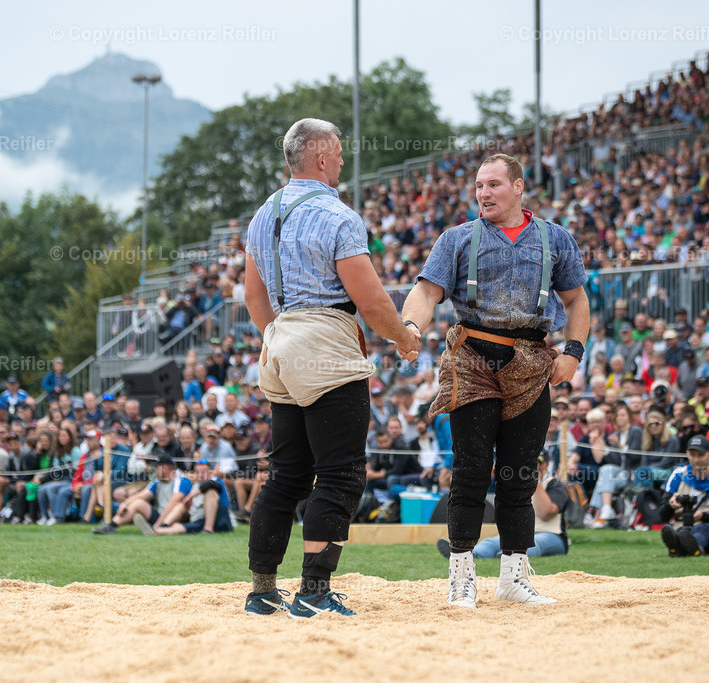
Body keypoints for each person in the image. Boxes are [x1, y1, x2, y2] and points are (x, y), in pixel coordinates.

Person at [242, 118, 419, 618]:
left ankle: (262, 590)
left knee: (285, 475)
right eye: (338, 153)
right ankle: (314, 591)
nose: (342, 160)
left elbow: (253, 296)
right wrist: (405, 337)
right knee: (341, 474)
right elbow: (372, 302)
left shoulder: (263, 214)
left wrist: (280, 340)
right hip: (324, 339)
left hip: (278, 342)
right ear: (321, 158)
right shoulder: (337, 216)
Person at [400, 152, 589, 607]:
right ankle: (461, 577)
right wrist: (409, 327)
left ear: (519, 187)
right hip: (472, 357)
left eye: (494, 185)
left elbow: (577, 300)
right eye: (479, 186)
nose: (483, 193)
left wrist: (573, 352)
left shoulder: (556, 238)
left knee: (520, 475)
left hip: (532, 359)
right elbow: (426, 292)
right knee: (470, 470)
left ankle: (513, 578)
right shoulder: (457, 238)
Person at [437, 450, 568, 559]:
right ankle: (472, 555)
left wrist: (535, 480)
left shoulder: (554, 484)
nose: (532, 466)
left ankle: (508, 555)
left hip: (553, 535)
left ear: (545, 465)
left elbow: (545, 513)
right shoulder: (517, 484)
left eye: (537, 463)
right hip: (522, 533)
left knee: (536, 543)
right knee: (491, 542)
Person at [659, 435, 709, 556]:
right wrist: (670, 506)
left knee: (702, 530)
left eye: (701, 455)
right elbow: (661, 516)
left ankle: (679, 547)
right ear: (687, 454)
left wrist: (704, 516)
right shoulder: (678, 475)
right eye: (692, 455)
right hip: (683, 526)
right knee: (683, 531)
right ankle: (689, 548)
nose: (696, 460)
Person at [93, 456, 191, 535]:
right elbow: (141, 495)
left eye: (157, 468)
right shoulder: (157, 482)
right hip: (161, 514)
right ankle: (111, 526)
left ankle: (159, 528)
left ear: (164, 468)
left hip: (178, 517)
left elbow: (173, 503)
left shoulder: (182, 480)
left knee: (179, 506)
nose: (155, 470)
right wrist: (124, 504)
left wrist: (158, 523)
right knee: (137, 503)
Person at [154, 460, 234, 535]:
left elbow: (210, 484)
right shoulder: (196, 485)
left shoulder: (216, 481)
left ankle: (208, 529)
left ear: (210, 473)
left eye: (203, 472)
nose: (200, 475)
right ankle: (163, 525)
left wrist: (190, 496)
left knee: (210, 492)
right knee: (180, 506)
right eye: (197, 472)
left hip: (219, 521)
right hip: (198, 520)